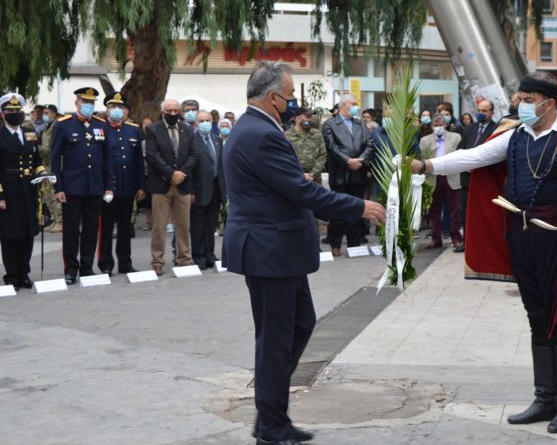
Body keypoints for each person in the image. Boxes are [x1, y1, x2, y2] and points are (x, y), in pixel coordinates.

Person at [411, 71, 557, 434]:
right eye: (519, 98)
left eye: (527, 99)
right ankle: (545, 397)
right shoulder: (513, 136)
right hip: (521, 238)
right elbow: (472, 157)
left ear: (548, 103)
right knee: (537, 317)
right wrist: (427, 166)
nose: (520, 104)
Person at [222, 62, 385, 445]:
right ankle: (270, 422)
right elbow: (300, 191)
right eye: (289, 94)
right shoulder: (262, 134)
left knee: (299, 325)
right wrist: (358, 206)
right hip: (269, 250)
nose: (292, 101)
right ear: (272, 96)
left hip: (276, 250)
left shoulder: (255, 129)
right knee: (276, 338)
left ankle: (272, 412)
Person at [50, 87, 114, 285]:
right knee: (70, 230)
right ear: (76, 103)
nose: (88, 106)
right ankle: (71, 268)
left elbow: (107, 159)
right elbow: (55, 159)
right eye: (84, 102)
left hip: (94, 186)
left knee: (91, 228)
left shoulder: (101, 124)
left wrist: (109, 186)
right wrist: (58, 187)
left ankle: (87, 267)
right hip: (72, 187)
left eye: (91, 103)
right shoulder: (64, 125)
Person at [145, 99, 198, 276]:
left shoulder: (187, 129)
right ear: (163, 112)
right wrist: (170, 174)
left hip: (183, 185)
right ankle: (157, 261)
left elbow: (193, 154)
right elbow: (152, 155)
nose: (173, 114)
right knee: (159, 226)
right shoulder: (153, 129)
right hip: (161, 185)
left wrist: (181, 173)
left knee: (183, 225)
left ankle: (184, 259)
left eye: (176, 110)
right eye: (170, 110)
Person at [97, 91, 146, 276]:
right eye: (112, 107)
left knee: (126, 227)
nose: (116, 110)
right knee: (107, 227)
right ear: (107, 109)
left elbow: (139, 162)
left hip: (128, 185)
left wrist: (141, 185)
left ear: (126, 111)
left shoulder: (133, 129)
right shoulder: (100, 128)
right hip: (107, 188)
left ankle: (125, 263)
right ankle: (105, 264)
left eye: (120, 107)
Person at [0, 93, 45, 290]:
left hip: (28, 188)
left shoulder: (30, 133)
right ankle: (11, 274)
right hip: (8, 189)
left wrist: (43, 174)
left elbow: (36, 160)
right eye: (10, 111)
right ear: (2, 114)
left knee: (28, 231)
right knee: (10, 233)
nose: (15, 114)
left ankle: (24, 273)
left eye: (18, 111)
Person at [321, 93, 373, 257]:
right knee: (338, 210)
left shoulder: (361, 124)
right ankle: (335, 244)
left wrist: (361, 160)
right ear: (344, 105)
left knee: (357, 210)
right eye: (354, 103)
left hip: (359, 173)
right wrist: (347, 161)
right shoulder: (330, 124)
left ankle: (354, 246)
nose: (357, 106)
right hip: (340, 174)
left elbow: (370, 144)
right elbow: (331, 147)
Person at [456, 98, 498, 252]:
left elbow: (496, 154)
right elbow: (461, 148)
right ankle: (467, 243)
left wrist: (478, 166)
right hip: (467, 178)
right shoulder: (470, 128)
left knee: (483, 213)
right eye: (479, 110)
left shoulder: (496, 129)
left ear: (492, 113)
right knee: (465, 212)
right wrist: (464, 163)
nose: (480, 113)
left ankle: (484, 244)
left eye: (484, 111)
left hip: (484, 179)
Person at [421, 114, 463, 250]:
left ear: (446, 125)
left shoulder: (456, 137)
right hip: (434, 177)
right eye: (436, 125)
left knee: (454, 211)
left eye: (441, 125)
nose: (438, 127)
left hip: (452, 176)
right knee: (434, 211)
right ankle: (436, 238)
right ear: (432, 126)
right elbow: (422, 158)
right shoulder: (425, 140)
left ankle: (456, 238)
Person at [190, 110, 226, 271]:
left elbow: (221, 166)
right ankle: (198, 256)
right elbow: (189, 168)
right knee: (198, 225)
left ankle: (210, 254)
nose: (205, 123)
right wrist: (190, 190)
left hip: (216, 188)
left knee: (211, 225)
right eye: (201, 120)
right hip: (198, 189)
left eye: (207, 120)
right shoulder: (192, 140)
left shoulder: (217, 139)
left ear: (212, 121)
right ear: (196, 123)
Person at [285, 107, 326, 185]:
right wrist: (300, 175)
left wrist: (312, 175)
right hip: (295, 180)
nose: (310, 120)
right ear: (297, 118)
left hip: (315, 180)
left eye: (311, 117)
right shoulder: (286, 135)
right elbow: (285, 158)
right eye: (307, 117)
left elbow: (322, 155)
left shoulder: (316, 134)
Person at [40, 104, 63, 233]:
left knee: (54, 193)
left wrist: (38, 150)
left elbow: (51, 148)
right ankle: (55, 220)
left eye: (47, 113)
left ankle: (60, 221)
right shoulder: (47, 127)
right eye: (44, 113)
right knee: (48, 193)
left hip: (54, 164)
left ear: (54, 113)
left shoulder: (57, 126)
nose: (45, 115)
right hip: (46, 164)